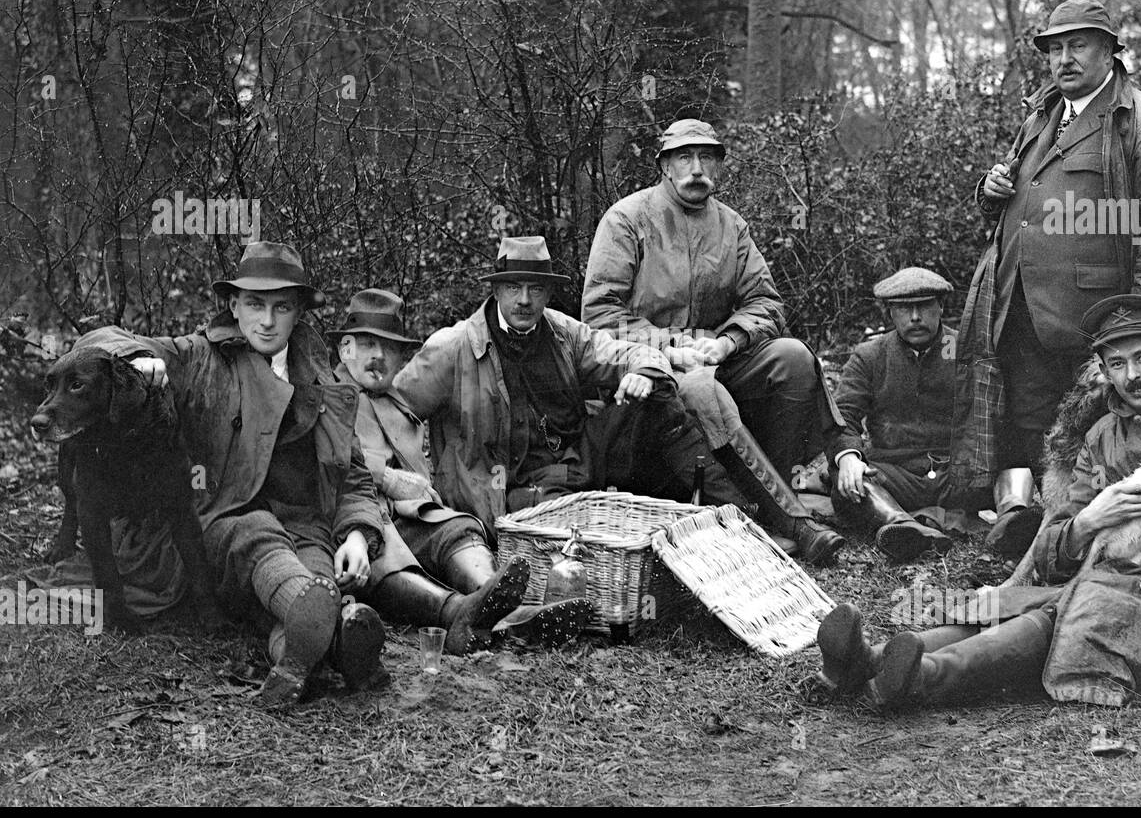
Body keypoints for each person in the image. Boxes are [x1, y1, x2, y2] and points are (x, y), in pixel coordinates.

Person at [811, 295, 1141, 710]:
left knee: (1074, 609)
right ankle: (871, 660)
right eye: (1116, 364)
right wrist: (1087, 523)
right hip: (1105, 583)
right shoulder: (1102, 436)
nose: (1132, 376)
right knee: (1034, 602)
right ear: (1103, 369)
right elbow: (1054, 546)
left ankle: (924, 677)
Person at [91, 242, 391, 708]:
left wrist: (355, 534)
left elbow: (352, 475)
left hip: (303, 526)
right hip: (216, 525)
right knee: (260, 536)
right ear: (233, 306)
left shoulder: (323, 378)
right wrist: (132, 359)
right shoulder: (197, 356)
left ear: (299, 313)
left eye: (281, 307)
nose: (267, 321)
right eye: (254, 304)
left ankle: (315, 645)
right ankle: (327, 623)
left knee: (316, 575)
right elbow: (103, 340)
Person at [954, 0, 1141, 558]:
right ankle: (1035, 523)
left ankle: (1115, 537)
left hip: (1098, 313)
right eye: (1055, 48)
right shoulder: (1041, 116)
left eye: (1077, 45)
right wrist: (990, 195)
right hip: (1022, 303)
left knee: (1107, 423)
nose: (1064, 59)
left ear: (1110, 50)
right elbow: (1023, 202)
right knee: (1031, 418)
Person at [582, 118, 846, 565]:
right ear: (664, 166)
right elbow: (600, 314)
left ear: (719, 168)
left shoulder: (731, 225)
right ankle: (782, 518)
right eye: (684, 157)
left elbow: (765, 302)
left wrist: (728, 342)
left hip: (716, 359)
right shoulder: (627, 219)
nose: (696, 169)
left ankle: (772, 490)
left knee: (794, 358)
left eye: (707, 157)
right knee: (700, 390)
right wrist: (666, 347)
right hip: (650, 374)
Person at [392, 236, 748, 538]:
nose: (525, 300)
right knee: (575, 528)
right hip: (508, 491)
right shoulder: (454, 347)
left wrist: (643, 373)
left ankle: (738, 519)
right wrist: (407, 480)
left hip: (579, 463)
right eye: (514, 287)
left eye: (536, 288)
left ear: (548, 292)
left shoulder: (565, 333)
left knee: (658, 401)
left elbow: (629, 352)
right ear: (497, 289)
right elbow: (395, 408)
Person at [329, 288, 533, 654]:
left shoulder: (401, 401)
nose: (378, 356)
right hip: (358, 518)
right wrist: (388, 478)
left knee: (458, 528)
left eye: (389, 348)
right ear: (345, 349)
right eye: (367, 344)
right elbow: (327, 461)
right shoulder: (326, 395)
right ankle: (457, 613)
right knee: (383, 552)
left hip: (409, 516)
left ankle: (496, 601)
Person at [827, 268, 961, 563]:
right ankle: (903, 526)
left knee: (1008, 459)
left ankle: (1014, 515)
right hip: (896, 477)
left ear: (941, 306)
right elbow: (843, 415)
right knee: (845, 477)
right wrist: (849, 457)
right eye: (904, 308)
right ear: (890, 313)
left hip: (958, 474)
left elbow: (989, 415)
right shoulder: (871, 355)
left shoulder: (964, 349)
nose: (915, 317)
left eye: (924, 306)